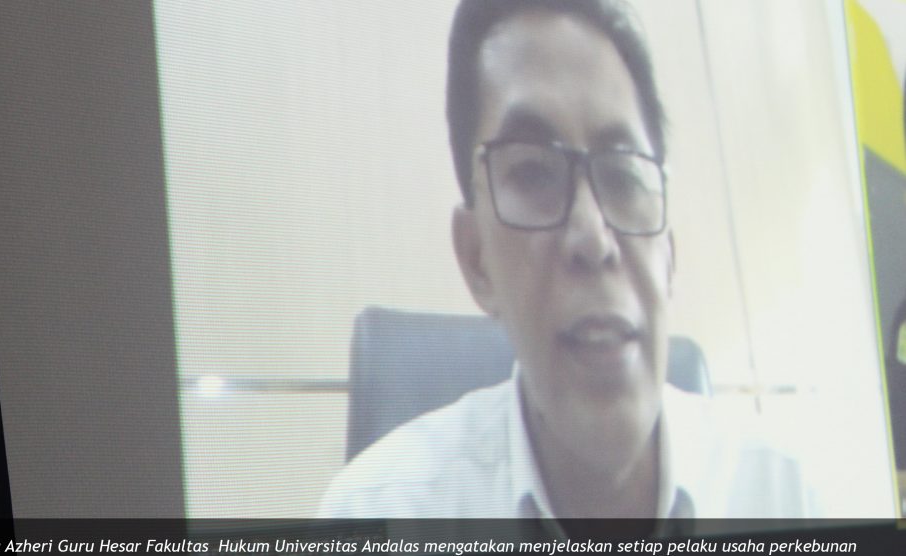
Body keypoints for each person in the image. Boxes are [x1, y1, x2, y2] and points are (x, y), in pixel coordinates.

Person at [319, 0, 815, 519]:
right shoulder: (379, 516)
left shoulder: (787, 497)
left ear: (669, 253)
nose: (594, 239)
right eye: (534, 174)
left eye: (623, 177)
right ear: (476, 258)